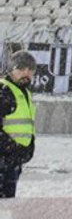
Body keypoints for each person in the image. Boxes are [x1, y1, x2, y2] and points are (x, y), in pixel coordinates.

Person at [0, 51, 37, 198]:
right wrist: (13, 149)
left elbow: (27, 127)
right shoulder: (4, 91)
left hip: (11, 162)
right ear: (11, 70)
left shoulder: (24, 93)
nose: (26, 73)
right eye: (21, 69)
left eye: (30, 70)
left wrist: (28, 148)